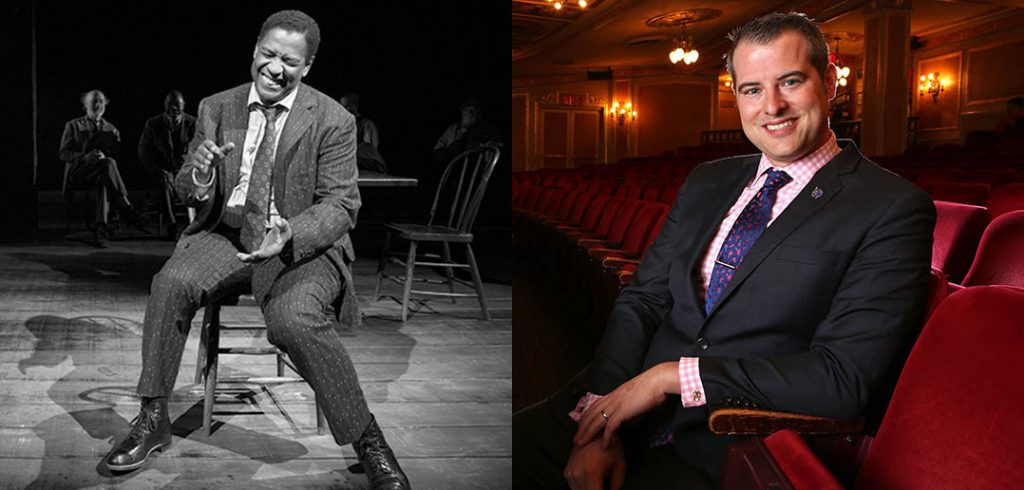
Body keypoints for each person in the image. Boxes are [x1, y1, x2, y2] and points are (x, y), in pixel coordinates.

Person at [513, 12, 935, 488]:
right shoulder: (708, 180)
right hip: (623, 397)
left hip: (729, 440)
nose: (771, 106)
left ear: (830, 82)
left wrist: (671, 377)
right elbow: (645, 299)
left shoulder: (892, 207)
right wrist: (600, 412)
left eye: (790, 81)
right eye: (751, 89)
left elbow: (842, 379)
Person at [100, 10, 410, 489]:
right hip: (226, 235)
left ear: (306, 66)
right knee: (170, 284)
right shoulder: (215, 107)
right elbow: (187, 187)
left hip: (298, 246)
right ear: (254, 51)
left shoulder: (332, 119)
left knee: (292, 319)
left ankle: (368, 439)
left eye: (290, 60)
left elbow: (342, 203)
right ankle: (152, 416)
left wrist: (291, 235)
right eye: (268, 55)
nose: (275, 68)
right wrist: (200, 175)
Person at [59, 89, 146, 247]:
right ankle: (126, 207)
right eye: (94, 101)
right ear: (85, 105)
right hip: (79, 173)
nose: (98, 104)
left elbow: (116, 159)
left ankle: (101, 228)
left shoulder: (110, 128)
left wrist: (115, 143)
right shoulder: (73, 125)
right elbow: (63, 153)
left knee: (104, 177)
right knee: (108, 165)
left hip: (100, 173)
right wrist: (84, 157)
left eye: (101, 101)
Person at [138, 90, 197, 240]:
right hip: (162, 169)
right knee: (163, 183)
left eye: (177, 105)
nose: (173, 109)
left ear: (183, 105)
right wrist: (156, 170)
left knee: (195, 185)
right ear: (165, 106)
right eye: (169, 105)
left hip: (186, 169)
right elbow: (144, 151)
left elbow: (199, 148)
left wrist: (189, 167)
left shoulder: (193, 123)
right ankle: (171, 224)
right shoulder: (153, 124)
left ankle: (193, 225)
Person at [432, 97, 501, 165]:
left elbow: (497, 147)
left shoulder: (487, 128)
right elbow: (438, 151)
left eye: (475, 109)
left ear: (480, 113)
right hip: (452, 167)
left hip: (475, 168)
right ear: (462, 112)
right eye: (467, 109)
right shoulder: (452, 129)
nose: (471, 112)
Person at [339, 91, 388, 173]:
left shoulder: (367, 125)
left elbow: (371, 151)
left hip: (366, 169)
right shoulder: (343, 125)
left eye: (346, 106)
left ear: (353, 106)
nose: (343, 110)